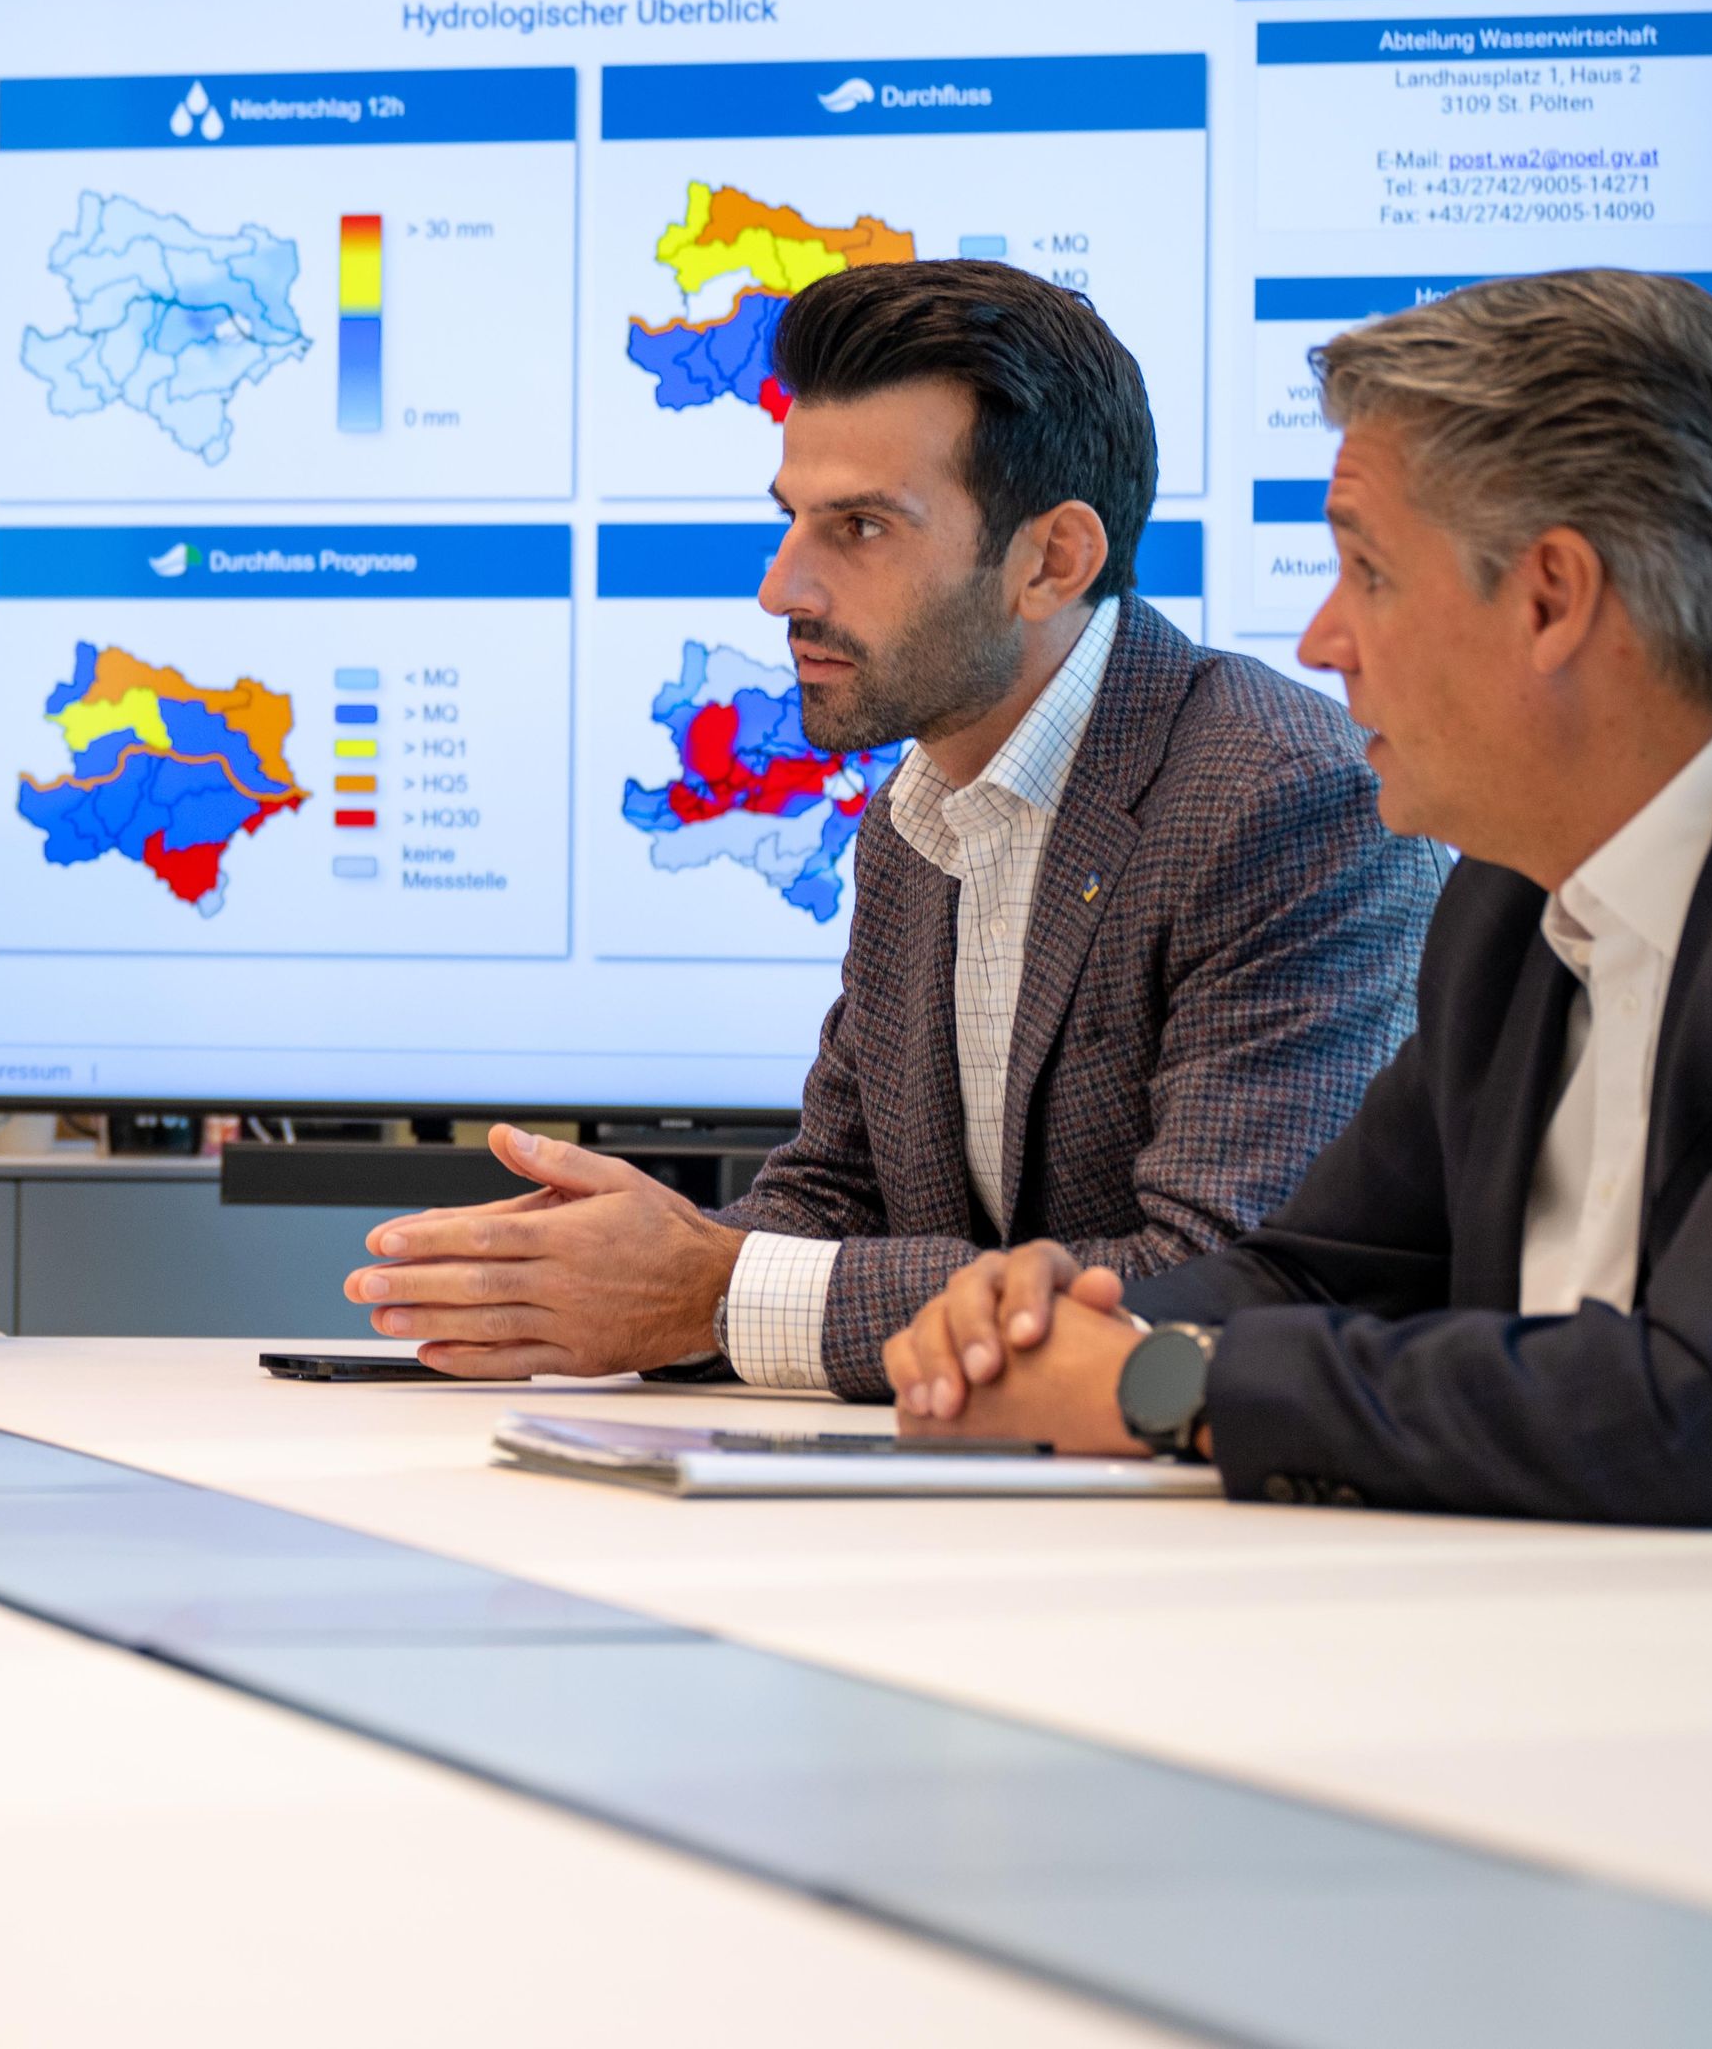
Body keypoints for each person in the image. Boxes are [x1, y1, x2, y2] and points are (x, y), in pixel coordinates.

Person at [344, 260, 1443, 1396]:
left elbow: (1216, 1280)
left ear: (1051, 560)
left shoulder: (1284, 801)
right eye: (792, 522)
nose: (782, 590)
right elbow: (836, 1198)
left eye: (860, 527)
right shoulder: (915, 814)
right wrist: (607, 1260)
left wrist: (710, 1292)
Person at [885, 271, 1712, 1525]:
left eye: (1366, 573)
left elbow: (1710, 1412)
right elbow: (1314, 1275)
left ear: (1551, 596)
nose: (1322, 640)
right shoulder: (1504, 907)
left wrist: (1170, 1392)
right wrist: (1035, 1332)